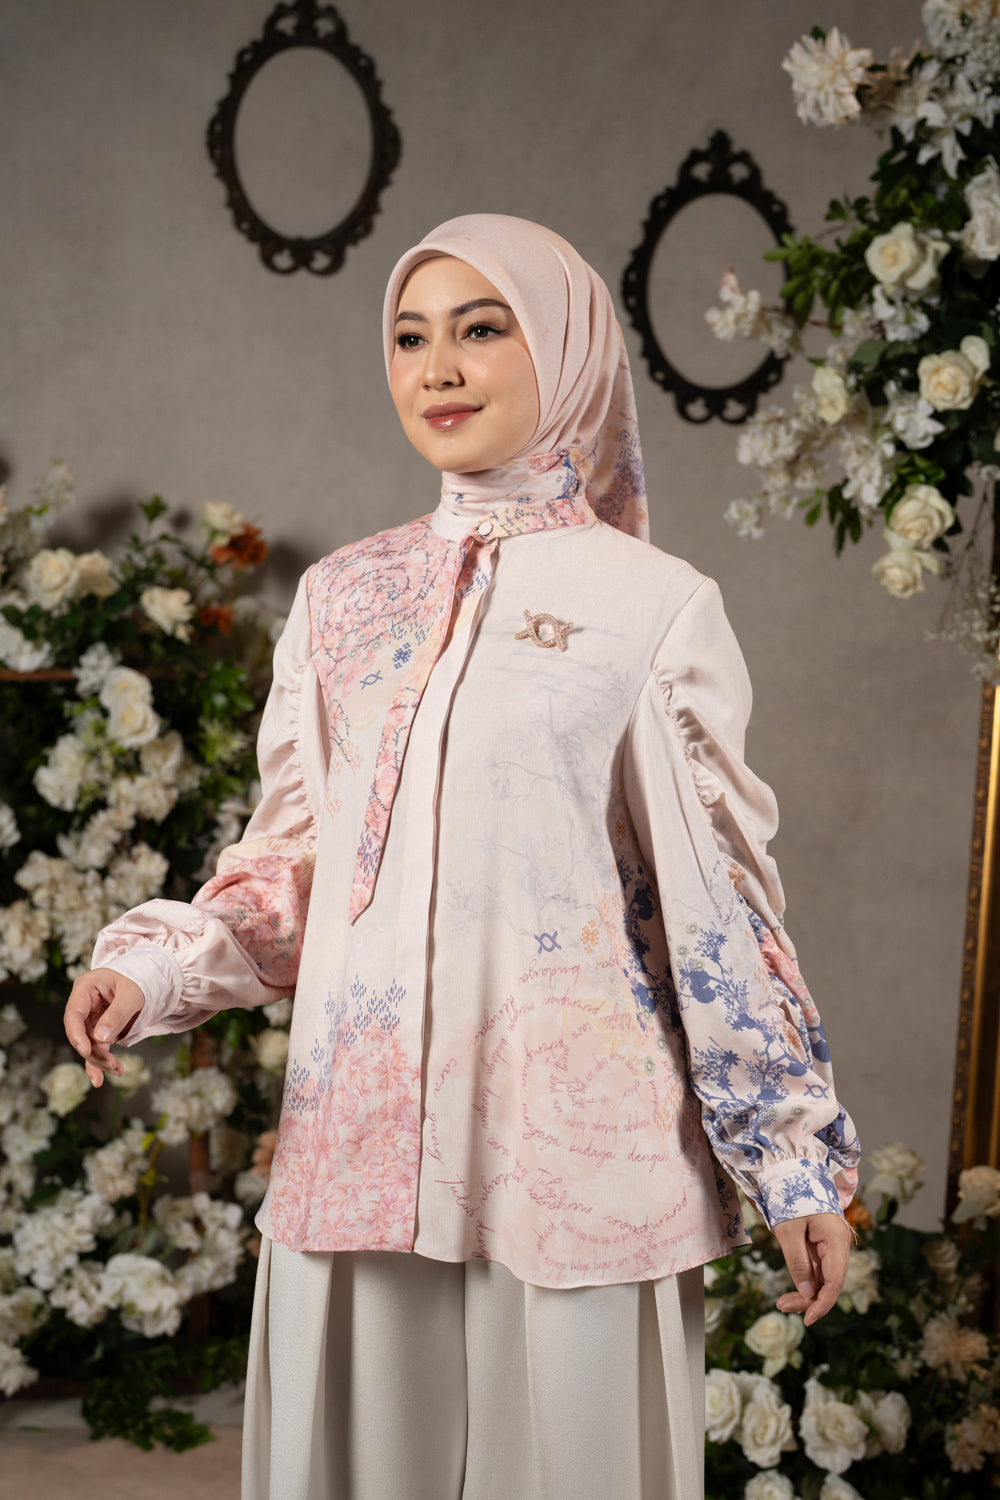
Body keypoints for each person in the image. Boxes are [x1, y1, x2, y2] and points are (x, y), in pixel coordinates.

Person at [65, 214, 859, 1500]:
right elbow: (299, 865)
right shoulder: (340, 599)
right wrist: (153, 970)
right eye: (408, 337)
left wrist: (790, 1158)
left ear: (565, 350)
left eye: (481, 330)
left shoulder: (653, 606)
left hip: (577, 1165)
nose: (436, 367)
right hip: (358, 1144)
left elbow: (717, 912)